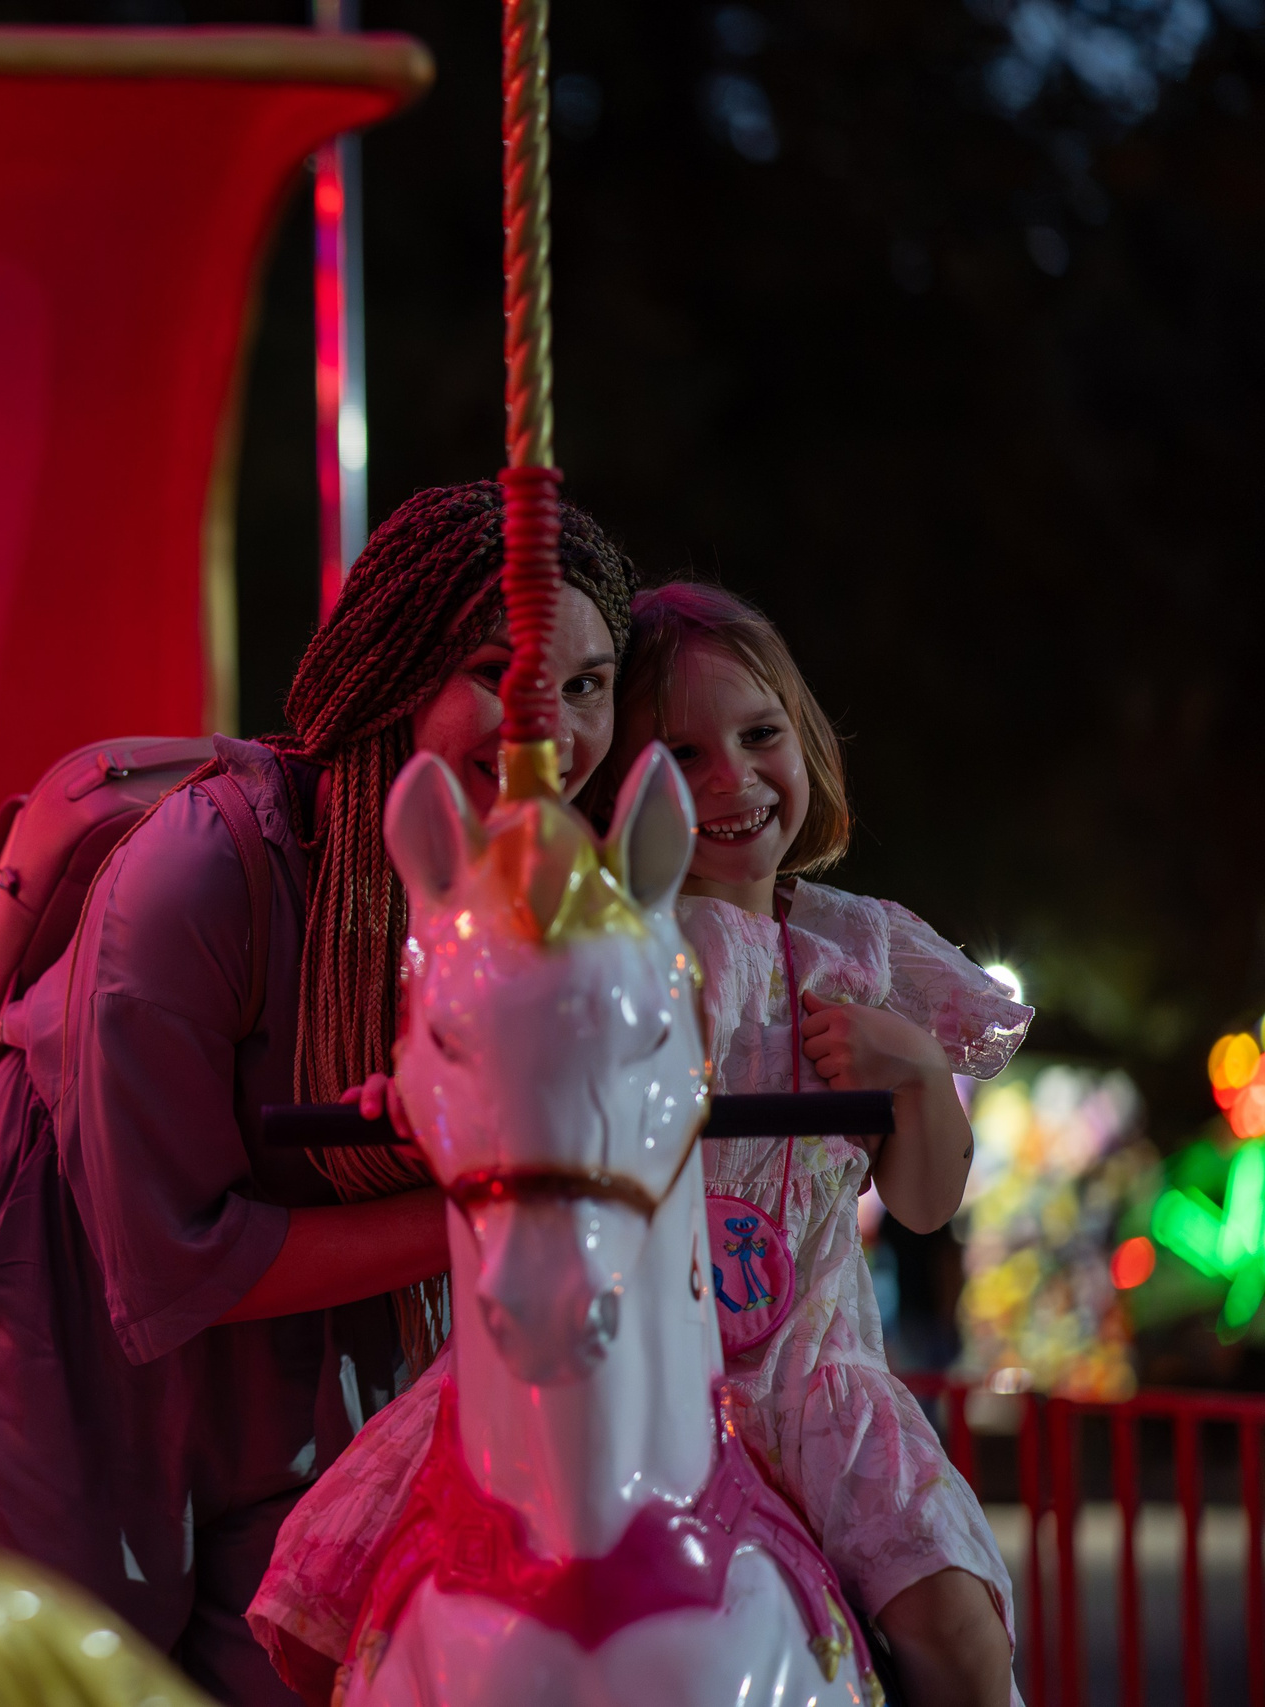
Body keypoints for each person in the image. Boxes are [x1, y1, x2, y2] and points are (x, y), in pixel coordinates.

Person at [0, 482, 641, 1707]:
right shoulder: (201, 870)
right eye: (492, 668)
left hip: (318, 1339)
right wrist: (504, 1212)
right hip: (78, 1335)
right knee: (79, 1680)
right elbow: (163, 1258)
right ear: (393, 672)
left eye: (585, 686)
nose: (546, 730)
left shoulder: (522, 903)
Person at [251, 582, 1025, 1707]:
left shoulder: (863, 949)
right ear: (638, 789)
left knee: (956, 1634)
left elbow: (921, 1203)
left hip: (806, 1370)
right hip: (619, 1354)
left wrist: (913, 1070)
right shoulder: (622, 948)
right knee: (335, 1617)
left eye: (760, 738)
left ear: (803, 739)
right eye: (687, 756)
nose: (734, 781)